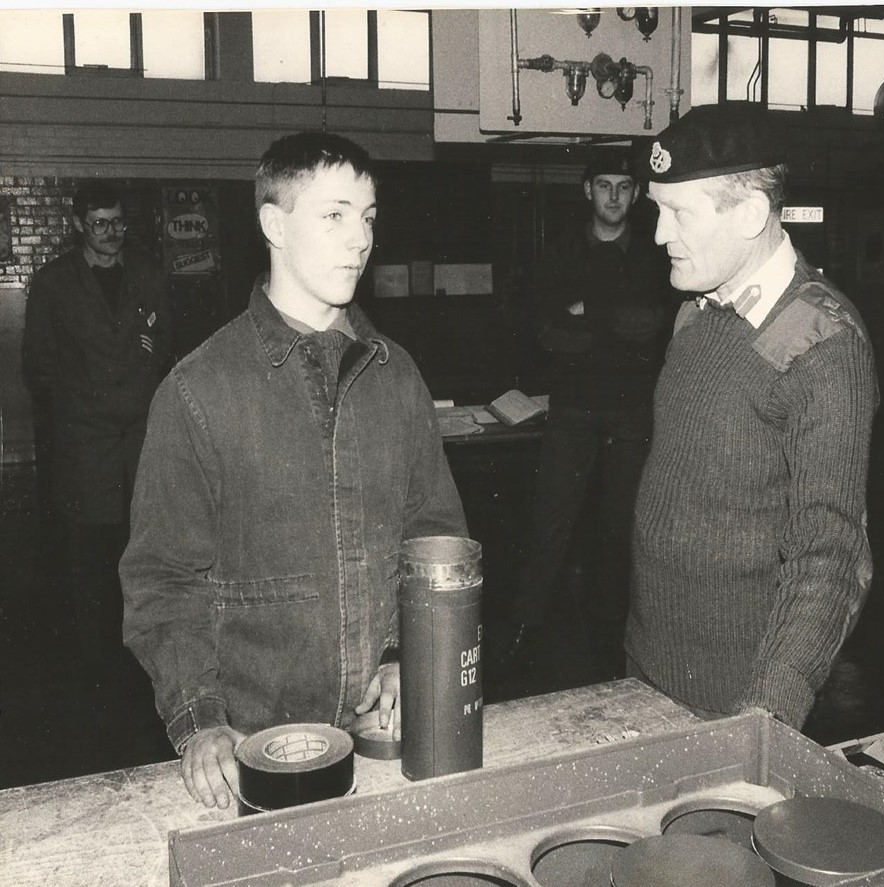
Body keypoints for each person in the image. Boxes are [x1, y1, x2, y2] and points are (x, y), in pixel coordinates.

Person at [120, 131, 466, 809]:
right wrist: (201, 721)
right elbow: (162, 582)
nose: (359, 240)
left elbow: (431, 533)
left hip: (381, 740)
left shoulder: (397, 378)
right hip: (254, 748)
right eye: (333, 215)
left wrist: (408, 657)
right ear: (273, 223)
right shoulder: (199, 390)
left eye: (367, 218)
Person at [627, 105, 879, 730]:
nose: (659, 234)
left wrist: (769, 713)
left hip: (736, 703)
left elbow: (832, 554)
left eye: (678, 212)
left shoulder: (822, 340)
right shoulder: (698, 313)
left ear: (749, 215)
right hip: (647, 669)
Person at [503, 154, 675, 679]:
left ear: (639, 192)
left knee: (620, 527)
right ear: (587, 191)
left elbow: (650, 325)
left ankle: (612, 641)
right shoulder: (559, 252)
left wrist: (587, 313)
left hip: (631, 412)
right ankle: (520, 634)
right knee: (550, 521)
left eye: (625, 187)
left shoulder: (655, 253)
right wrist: (612, 318)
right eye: (605, 186)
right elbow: (551, 334)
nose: (615, 197)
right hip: (573, 409)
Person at [22, 182, 172, 666]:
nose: (112, 233)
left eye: (118, 222)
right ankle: (94, 659)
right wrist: (82, 406)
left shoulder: (147, 273)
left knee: (144, 547)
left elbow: (166, 341)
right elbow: (38, 365)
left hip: (140, 439)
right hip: (85, 445)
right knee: (89, 554)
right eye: (100, 224)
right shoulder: (53, 282)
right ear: (78, 225)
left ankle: (143, 647)